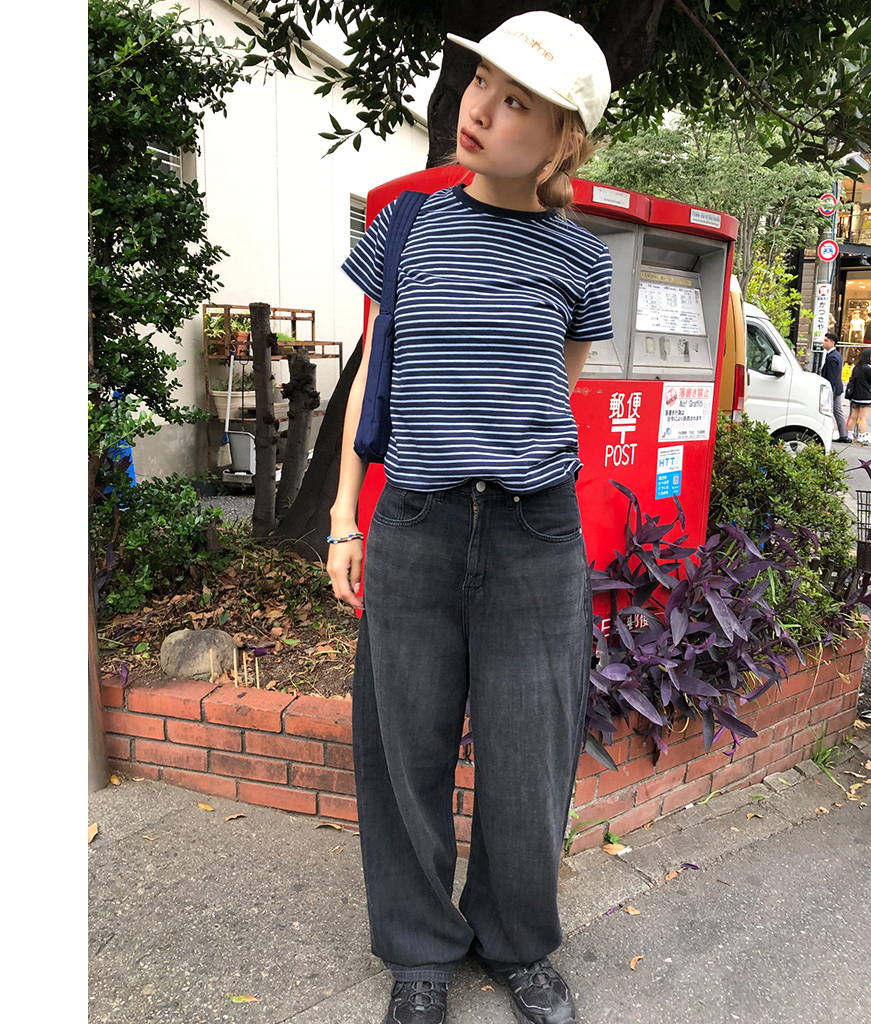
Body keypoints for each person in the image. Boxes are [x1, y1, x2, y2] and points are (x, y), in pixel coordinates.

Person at [327, 12, 613, 1024]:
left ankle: (516, 939)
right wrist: (343, 517)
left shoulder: (581, 261)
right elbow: (372, 375)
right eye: (482, 83)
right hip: (417, 523)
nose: (480, 109)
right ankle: (418, 950)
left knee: (530, 754)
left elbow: (551, 393)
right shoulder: (407, 226)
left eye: (515, 101)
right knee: (402, 747)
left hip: (535, 534)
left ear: (564, 139)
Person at [820, 331, 851, 443]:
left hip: (832, 388)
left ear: (832, 343)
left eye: (826, 341)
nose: (823, 343)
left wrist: (829, 389)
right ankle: (843, 434)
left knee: (831, 410)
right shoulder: (835, 355)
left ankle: (841, 434)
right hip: (836, 387)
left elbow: (831, 376)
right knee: (837, 411)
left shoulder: (832, 357)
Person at [845, 348, 871, 443]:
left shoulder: (855, 367)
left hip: (855, 395)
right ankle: (861, 436)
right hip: (865, 396)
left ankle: (850, 435)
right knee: (863, 418)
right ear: (870, 356)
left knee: (853, 417)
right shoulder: (868, 368)